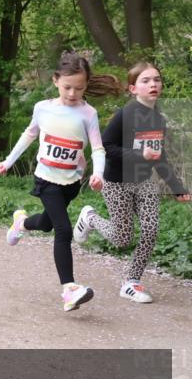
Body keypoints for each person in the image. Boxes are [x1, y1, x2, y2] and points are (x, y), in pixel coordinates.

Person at [0, 51, 121, 312]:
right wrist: (8, 162)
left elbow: (98, 148)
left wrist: (98, 173)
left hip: (72, 182)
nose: (73, 93)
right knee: (63, 230)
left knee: (45, 223)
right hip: (46, 179)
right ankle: (69, 289)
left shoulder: (88, 113)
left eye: (79, 88)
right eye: (67, 87)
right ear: (55, 80)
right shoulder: (42, 108)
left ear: (86, 86)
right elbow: (29, 135)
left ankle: (21, 223)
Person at [72, 62, 190, 303]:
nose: (153, 84)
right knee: (122, 237)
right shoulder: (126, 114)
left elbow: (160, 157)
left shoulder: (159, 119)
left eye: (156, 79)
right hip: (116, 181)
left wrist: (177, 187)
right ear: (133, 88)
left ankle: (131, 282)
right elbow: (105, 146)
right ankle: (90, 218)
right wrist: (139, 155)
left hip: (144, 181)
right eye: (146, 81)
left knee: (150, 229)